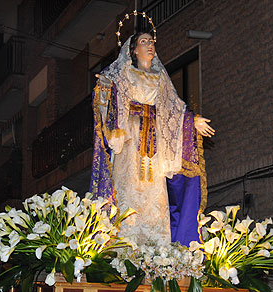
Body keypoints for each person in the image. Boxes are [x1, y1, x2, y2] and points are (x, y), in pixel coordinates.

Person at [90, 29, 215, 246]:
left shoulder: (160, 80)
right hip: (131, 138)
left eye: (151, 41)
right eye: (144, 41)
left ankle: (158, 249)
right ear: (134, 50)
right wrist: (104, 90)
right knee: (129, 186)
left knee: (155, 193)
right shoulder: (124, 74)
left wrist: (192, 121)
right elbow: (109, 102)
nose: (150, 45)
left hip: (155, 140)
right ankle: (124, 244)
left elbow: (174, 110)